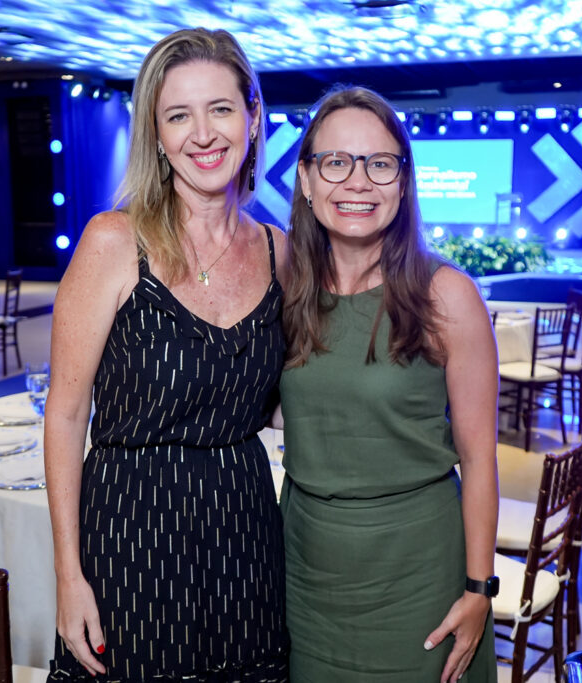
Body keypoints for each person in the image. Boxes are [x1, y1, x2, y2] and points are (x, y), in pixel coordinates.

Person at [45, 28, 288, 682]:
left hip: (244, 533)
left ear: (253, 118)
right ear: (155, 133)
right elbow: (65, 418)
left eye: (220, 109)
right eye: (179, 115)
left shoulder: (281, 252)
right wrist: (69, 576)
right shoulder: (113, 241)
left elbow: (283, 401)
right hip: (132, 535)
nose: (203, 133)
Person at [278, 85, 499, 683]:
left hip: (416, 573)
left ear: (403, 182)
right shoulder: (284, 291)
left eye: (380, 164)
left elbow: (480, 460)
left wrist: (481, 589)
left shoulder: (446, 294)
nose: (357, 182)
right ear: (306, 179)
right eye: (335, 162)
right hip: (306, 572)